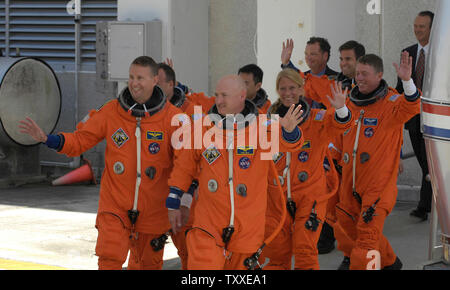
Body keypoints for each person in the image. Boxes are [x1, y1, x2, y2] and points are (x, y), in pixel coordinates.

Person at [19, 56, 183, 270]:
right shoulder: (111, 111)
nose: (134, 83)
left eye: (140, 78)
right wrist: (49, 139)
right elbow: (80, 140)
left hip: (153, 208)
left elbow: (185, 162)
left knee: (148, 265)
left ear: (155, 80)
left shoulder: (173, 118)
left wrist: (179, 198)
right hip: (115, 204)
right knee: (109, 256)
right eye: (131, 77)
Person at [165, 75, 305, 270]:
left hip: (248, 228)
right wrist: (174, 200)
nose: (219, 100)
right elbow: (184, 168)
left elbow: (291, 145)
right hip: (208, 224)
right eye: (216, 95)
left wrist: (290, 131)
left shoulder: (261, 127)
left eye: (224, 95)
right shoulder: (202, 128)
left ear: (241, 96)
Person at [334, 52, 421, 270]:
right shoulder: (348, 103)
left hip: (378, 185)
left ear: (379, 75)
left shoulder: (391, 103)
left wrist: (407, 81)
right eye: (357, 74)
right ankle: (391, 263)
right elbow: (335, 136)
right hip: (350, 181)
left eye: (365, 74)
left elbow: (412, 106)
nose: (359, 78)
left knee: (367, 238)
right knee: (347, 227)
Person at [259, 69, 351, 270]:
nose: (287, 92)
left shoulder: (317, 118)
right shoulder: (268, 122)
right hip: (276, 199)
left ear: (301, 89)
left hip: (310, 196)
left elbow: (339, 125)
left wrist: (341, 109)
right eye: (282, 88)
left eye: (292, 87)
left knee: (305, 250)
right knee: (276, 254)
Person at [396, 11, 435, 221]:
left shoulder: (442, 52)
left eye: (422, 26)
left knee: (430, 164)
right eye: (416, 25)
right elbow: (400, 86)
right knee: (424, 163)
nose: (417, 29)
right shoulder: (408, 52)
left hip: (434, 117)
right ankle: (427, 204)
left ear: (432, 29)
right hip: (413, 118)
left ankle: (425, 205)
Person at [281, 37, 339, 109]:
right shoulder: (303, 77)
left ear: (325, 56)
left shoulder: (337, 80)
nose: (308, 57)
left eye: (313, 54)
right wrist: (286, 63)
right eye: (306, 54)